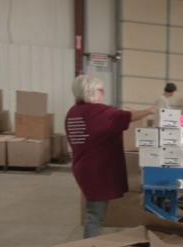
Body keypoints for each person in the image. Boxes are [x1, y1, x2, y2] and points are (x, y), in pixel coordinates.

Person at [66, 75, 154, 238]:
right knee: (95, 215)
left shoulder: (73, 112)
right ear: (91, 91)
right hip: (97, 171)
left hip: (83, 168)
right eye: (101, 90)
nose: (103, 93)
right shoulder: (99, 112)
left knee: (93, 211)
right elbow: (125, 116)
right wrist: (149, 111)